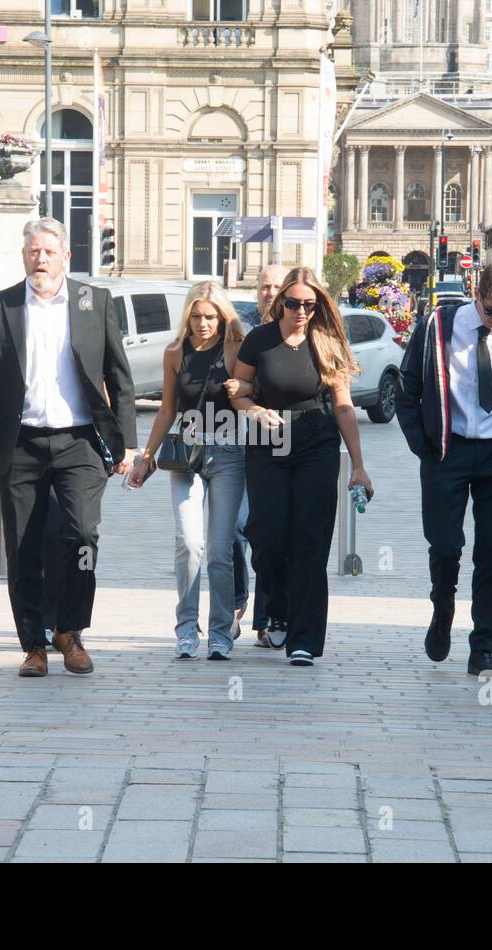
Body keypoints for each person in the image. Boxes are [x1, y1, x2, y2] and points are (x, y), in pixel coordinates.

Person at [0, 216, 137, 679]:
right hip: (20, 444)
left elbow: (119, 379)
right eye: (33, 252)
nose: (41, 259)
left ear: (65, 257)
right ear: (24, 257)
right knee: (23, 547)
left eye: (49, 252)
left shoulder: (93, 302)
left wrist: (128, 445)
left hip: (80, 442)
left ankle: (70, 632)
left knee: (80, 538)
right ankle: (33, 644)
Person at [396, 263, 492, 678]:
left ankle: (483, 644)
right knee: (445, 546)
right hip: (448, 451)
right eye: (490, 311)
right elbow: (407, 389)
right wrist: (423, 447)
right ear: (475, 293)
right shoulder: (436, 327)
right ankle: (442, 607)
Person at [229, 266, 374, 667]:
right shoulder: (259, 339)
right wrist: (253, 409)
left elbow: (343, 407)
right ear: (281, 304)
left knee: (310, 540)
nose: (300, 311)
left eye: (309, 304)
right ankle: (275, 608)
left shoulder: (326, 342)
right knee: (267, 534)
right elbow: (237, 392)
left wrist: (358, 466)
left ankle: (304, 639)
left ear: (318, 306)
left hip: (316, 442)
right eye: (293, 303)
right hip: (268, 441)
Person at [128, 281, 247, 660]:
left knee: (220, 549)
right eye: (196, 316)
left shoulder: (235, 349)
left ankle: (221, 631)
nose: (203, 323)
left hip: (229, 452)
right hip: (186, 454)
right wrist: (146, 457)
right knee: (189, 543)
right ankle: (185, 628)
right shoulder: (175, 352)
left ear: (222, 317)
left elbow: (252, 395)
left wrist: (241, 387)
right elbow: (166, 409)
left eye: (210, 316)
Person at [235, 261, 289, 646]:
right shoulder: (241, 330)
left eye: (276, 286)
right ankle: (239, 600)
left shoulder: (299, 328)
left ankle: (267, 618)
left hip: (283, 442)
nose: (269, 292)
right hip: (237, 439)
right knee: (243, 528)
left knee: (273, 533)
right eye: (264, 286)